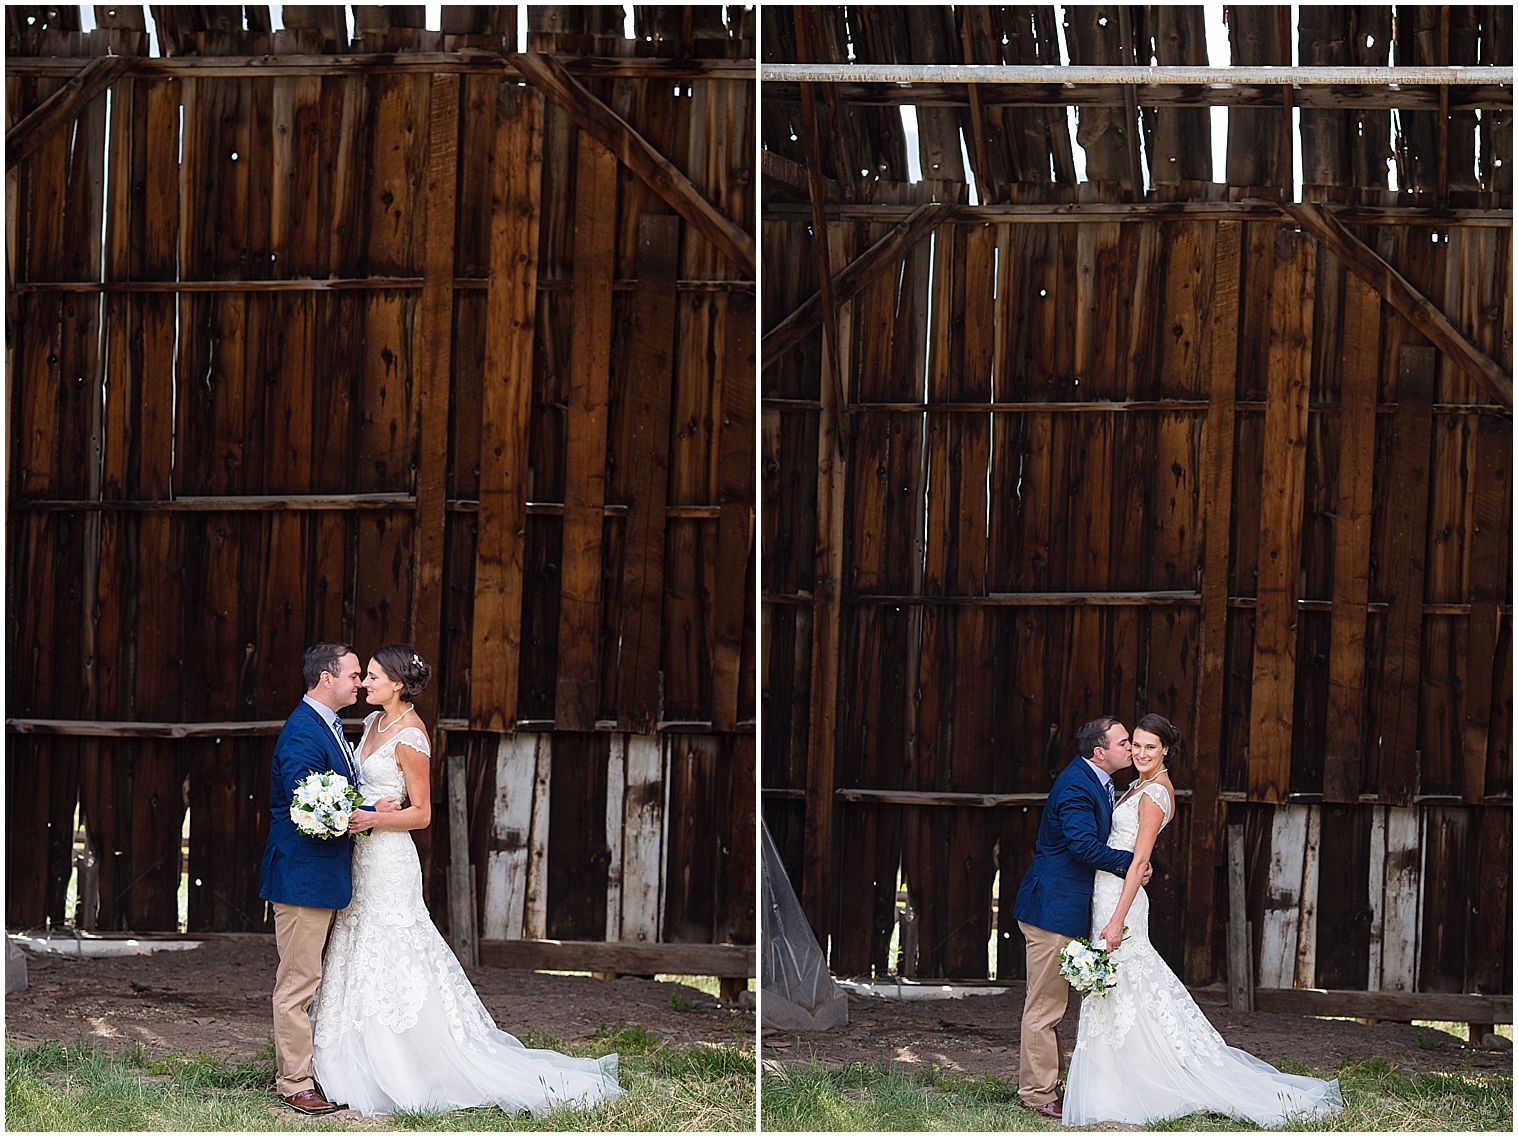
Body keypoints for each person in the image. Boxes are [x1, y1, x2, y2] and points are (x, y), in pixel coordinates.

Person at [311, 643, 623, 1117]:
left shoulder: (412, 737)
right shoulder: (372, 724)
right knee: (357, 940)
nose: (365, 683)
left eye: (372, 676)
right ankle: (348, 1054)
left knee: (394, 945)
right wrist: (356, 808)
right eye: (365, 675)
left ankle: (409, 1062)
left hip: (390, 859)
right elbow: (369, 791)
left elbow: (421, 815)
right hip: (362, 853)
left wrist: (370, 820)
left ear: (397, 684)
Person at [1062, 713, 1343, 1127]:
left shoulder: (1155, 794)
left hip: (1120, 903)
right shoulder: (1138, 785)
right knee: (1122, 992)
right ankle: (1126, 1079)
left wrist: (1116, 921)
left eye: (1150, 748)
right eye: (1135, 745)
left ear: (1166, 752)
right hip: (1106, 895)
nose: (1140, 753)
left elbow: (1141, 861)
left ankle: (1136, 1087)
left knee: (1124, 985)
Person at [259, 642, 395, 1115]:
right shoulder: (302, 733)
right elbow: (309, 804)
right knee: (298, 982)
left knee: (314, 977)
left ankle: (316, 1069)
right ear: (325, 678)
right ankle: (295, 1082)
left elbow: (335, 794)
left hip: (322, 875)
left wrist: (370, 808)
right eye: (354, 674)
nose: (360, 682)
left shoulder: (330, 726)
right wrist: (368, 815)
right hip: (301, 875)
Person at [1011, 715, 1141, 1119]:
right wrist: (1132, 862)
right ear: (1100, 752)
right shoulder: (1075, 787)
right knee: (1044, 1006)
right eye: (1124, 743)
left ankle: (1049, 1081)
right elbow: (1083, 846)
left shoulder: (1096, 780)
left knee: (1054, 1003)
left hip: (1064, 907)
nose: (1131, 749)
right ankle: (1036, 1093)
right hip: (1051, 908)